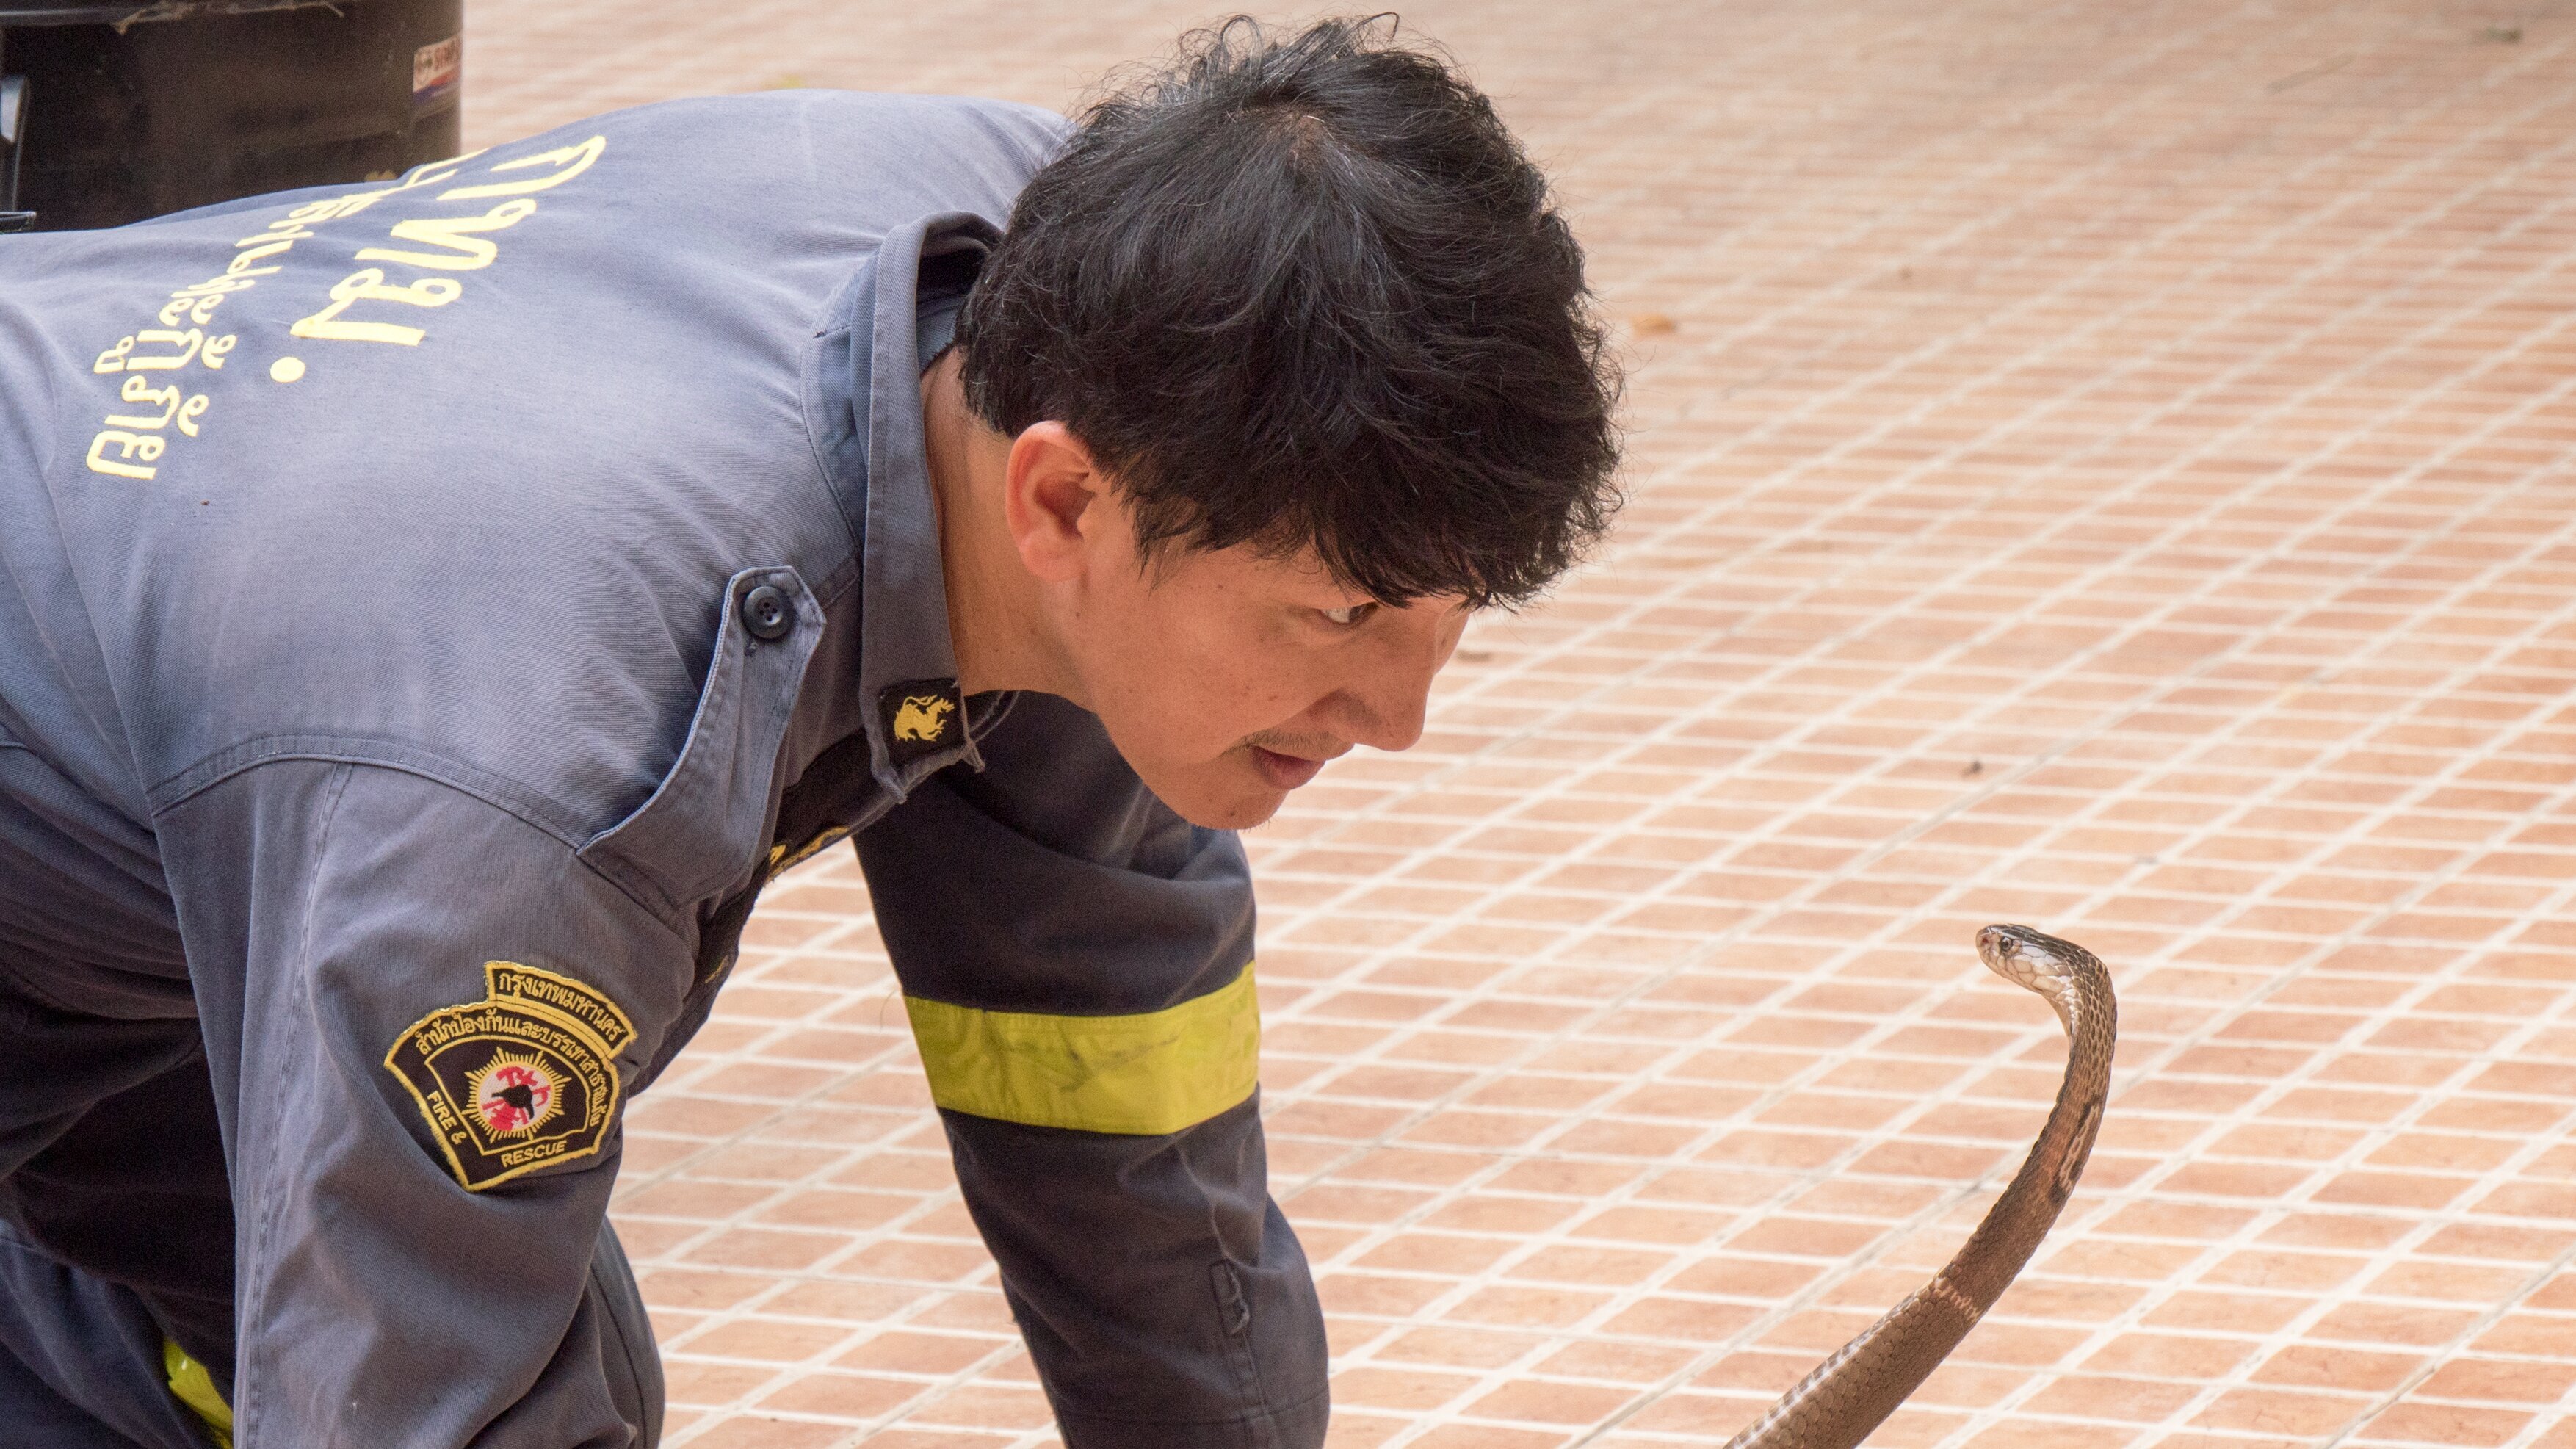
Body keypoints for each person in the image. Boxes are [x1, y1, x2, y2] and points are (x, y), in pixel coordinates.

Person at [0, 15, 1619, 1448]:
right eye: (1341, 619)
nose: (1397, 718)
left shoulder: (1087, 307)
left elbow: (1101, 1048)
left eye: (1439, 619)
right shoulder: (528, 773)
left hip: (161, 848)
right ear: (1059, 499)